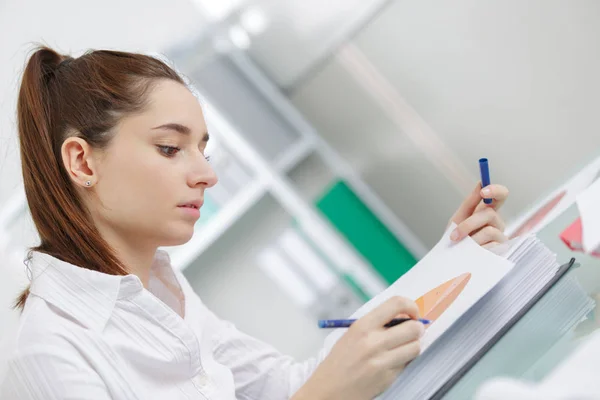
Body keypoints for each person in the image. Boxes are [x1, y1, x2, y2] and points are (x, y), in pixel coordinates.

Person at [0, 46, 509, 400]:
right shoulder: (50, 355)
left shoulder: (165, 293)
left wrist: (452, 257)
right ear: (84, 163)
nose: (206, 174)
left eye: (203, 149)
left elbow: (287, 387)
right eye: (170, 148)